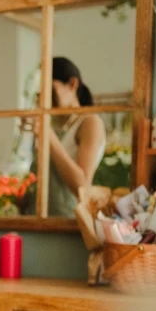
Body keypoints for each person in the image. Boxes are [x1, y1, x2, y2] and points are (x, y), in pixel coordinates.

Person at [39, 56, 106, 217]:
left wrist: (48, 136)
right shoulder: (55, 125)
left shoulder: (90, 123)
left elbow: (82, 188)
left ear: (72, 84)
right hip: (37, 219)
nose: (44, 97)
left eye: (50, 89)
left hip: (65, 222)